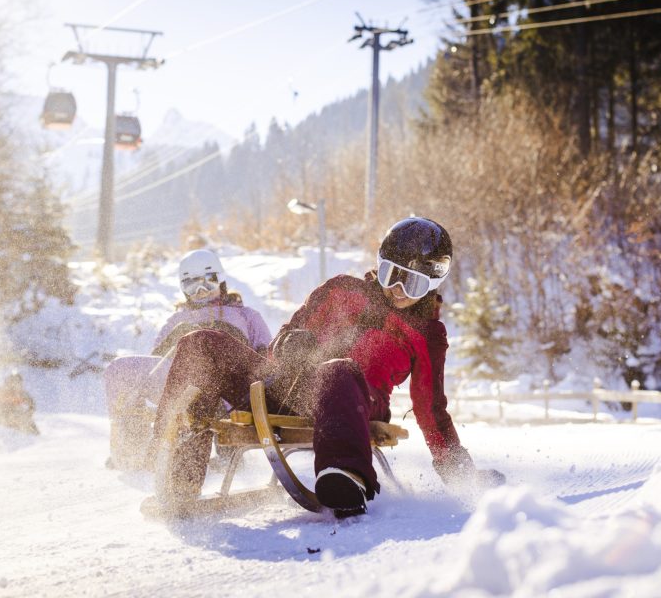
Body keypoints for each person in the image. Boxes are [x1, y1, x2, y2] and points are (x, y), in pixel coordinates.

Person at [146, 217, 505, 518]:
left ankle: (345, 475)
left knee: (337, 369)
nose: (396, 289)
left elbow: (432, 411)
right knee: (201, 342)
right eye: (388, 274)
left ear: (432, 285)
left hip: (352, 400)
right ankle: (169, 460)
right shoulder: (339, 290)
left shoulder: (426, 334)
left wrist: (462, 475)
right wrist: (289, 343)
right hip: (285, 386)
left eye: (409, 282)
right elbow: (286, 333)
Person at [104, 248, 272, 470]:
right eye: (191, 285)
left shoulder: (246, 316)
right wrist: (175, 339)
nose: (201, 291)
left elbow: (266, 358)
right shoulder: (177, 320)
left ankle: (229, 452)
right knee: (119, 369)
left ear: (220, 281)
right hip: (181, 383)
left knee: (212, 374)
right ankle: (133, 447)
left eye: (207, 282)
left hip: (228, 388)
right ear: (183, 289)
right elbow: (157, 360)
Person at [0, 370, 39, 435]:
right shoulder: (0, 390)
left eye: (17, 382)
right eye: (12, 381)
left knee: (30, 425)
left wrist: (27, 415)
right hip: (1, 413)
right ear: (7, 381)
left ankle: (33, 438)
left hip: (16, 415)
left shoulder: (21, 393)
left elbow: (32, 405)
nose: (13, 385)